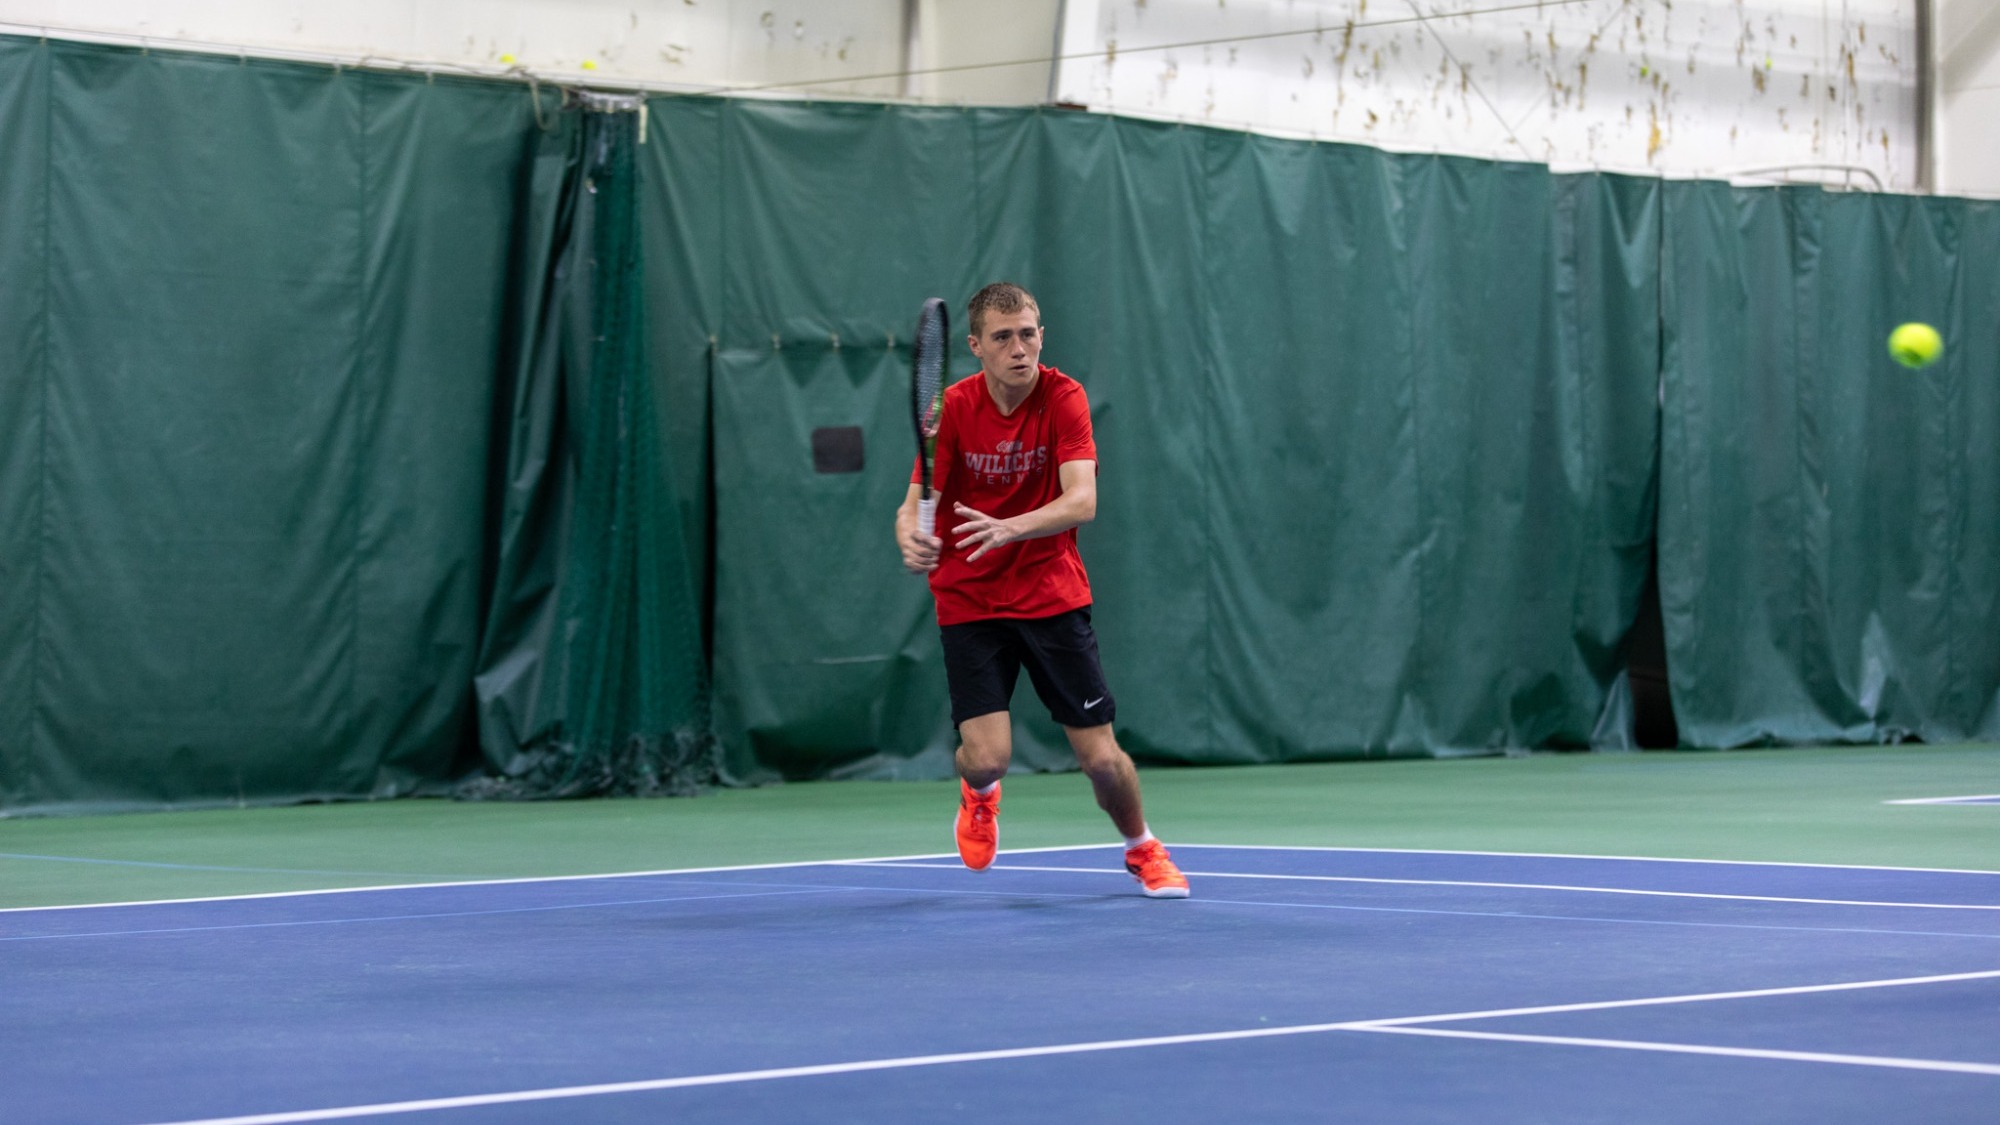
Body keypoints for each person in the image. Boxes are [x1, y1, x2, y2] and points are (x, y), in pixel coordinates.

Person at [894, 282, 1190, 899]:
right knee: (987, 757)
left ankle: (1142, 847)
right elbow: (915, 502)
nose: (1019, 348)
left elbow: (1082, 500)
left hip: (1050, 595)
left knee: (1102, 759)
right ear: (976, 346)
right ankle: (979, 794)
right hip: (970, 601)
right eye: (1002, 337)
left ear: (1041, 336)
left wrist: (1012, 527)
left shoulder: (1064, 397)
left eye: (1028, 334)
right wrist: (910, 536)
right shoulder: (952, 409)